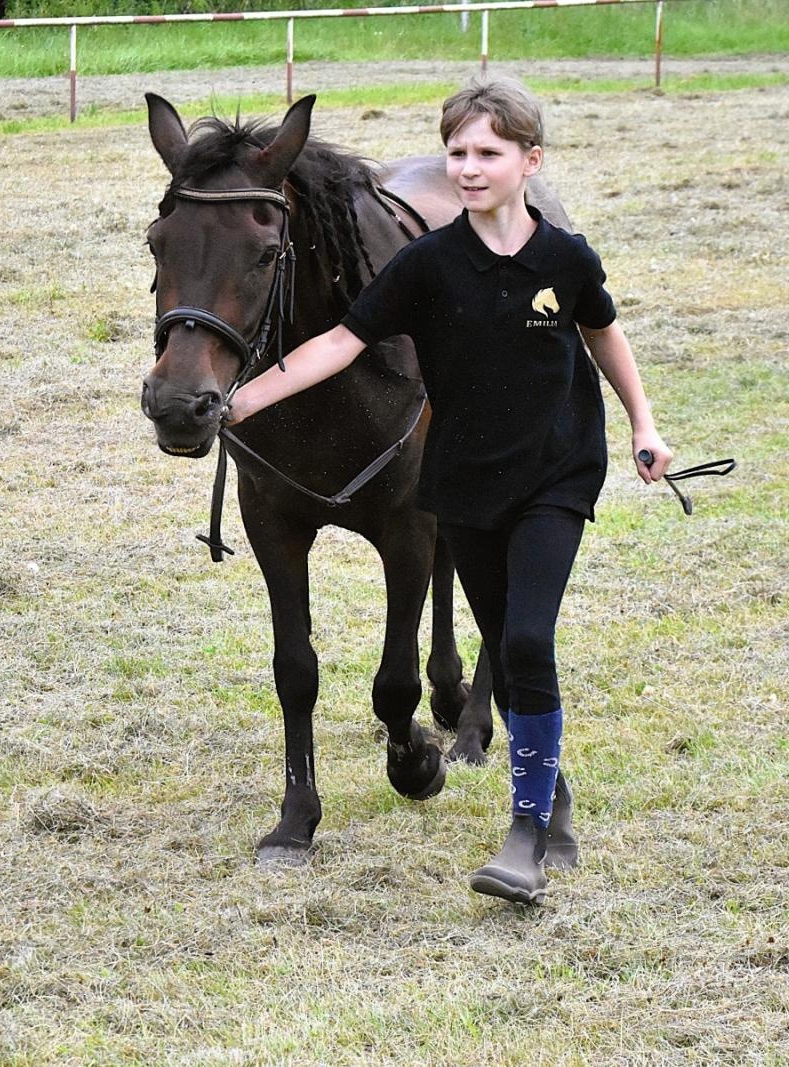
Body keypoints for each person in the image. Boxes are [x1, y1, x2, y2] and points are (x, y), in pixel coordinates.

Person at [225, 76, 672, 904]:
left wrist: (644, 425)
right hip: (466, 483)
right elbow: (339, 343)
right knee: (504, 642)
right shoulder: (426, 263)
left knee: (528, 642)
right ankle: (554, 787)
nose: (468, 168)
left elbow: (604, 335)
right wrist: (245, 396)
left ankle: (526, 832)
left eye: (488, 154)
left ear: (529, 162)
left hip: (555, 473)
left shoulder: (565, 259)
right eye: (457, 153)